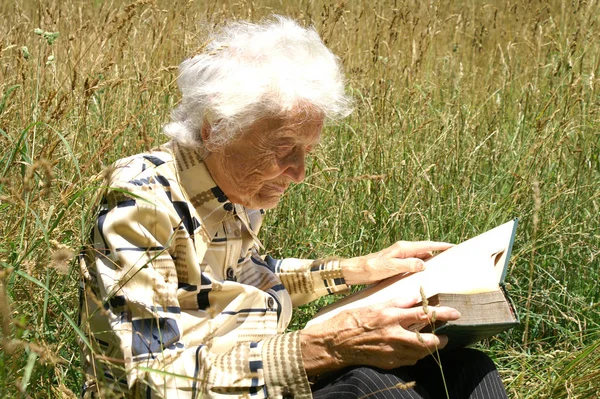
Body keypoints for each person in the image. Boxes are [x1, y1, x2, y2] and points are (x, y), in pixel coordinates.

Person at [78, 16, 509, 399]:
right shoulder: (139, 205)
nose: (299, 172)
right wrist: (324, 348)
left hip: (250, 366)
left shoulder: (232, 183)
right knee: (372, 387)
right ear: (216, 130)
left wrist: (354, 270)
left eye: (307, 149)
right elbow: (142, 382)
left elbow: (245, 275)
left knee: (467, 368)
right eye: (283, 147)